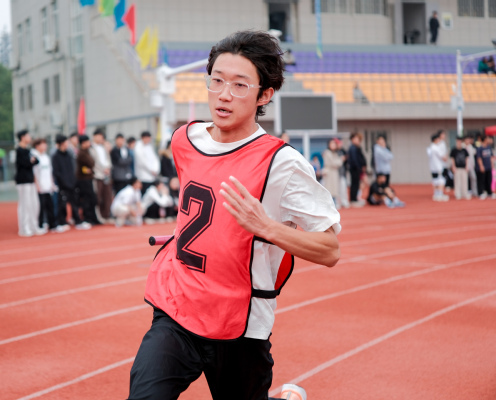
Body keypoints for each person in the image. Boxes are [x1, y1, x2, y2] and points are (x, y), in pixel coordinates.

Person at [128, 30, 340, 400]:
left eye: (240, 85)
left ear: (265, 95)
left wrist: (266, 227)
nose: (224, 94)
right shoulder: (184, 140)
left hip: (240, 323)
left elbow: (330, 250)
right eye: (217, 81)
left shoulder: (282, 163)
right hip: (177, 307)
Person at [52, 134, 86, 229]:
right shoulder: (56, 156)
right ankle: (62, 222)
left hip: (72, 183)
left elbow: (72, 169)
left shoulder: (69, 155)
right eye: (66, 142)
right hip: (63, 185)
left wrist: (73, 180)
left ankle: (77, 220)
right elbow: (56, 172)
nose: (67, 144)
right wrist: (64, 182)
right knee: (62, 204)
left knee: (75, 202)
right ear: (61, 143)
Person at [15, 130, 45, 237]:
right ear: (22, 137)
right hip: (23, 181)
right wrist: (31, 161)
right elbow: (25, 163)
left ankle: (34, 226)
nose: (29, 137)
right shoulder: (19, 150)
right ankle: (24, 228)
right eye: (28, 135)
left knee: (34, 204)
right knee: (25, 205)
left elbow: (36, 161)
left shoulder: (28, 151)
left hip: (31, 180)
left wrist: (31, 161)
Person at [32, 138, 65, 232]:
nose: (45, 146)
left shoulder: (46, 157)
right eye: (43, 144)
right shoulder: (34, 156)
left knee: (50, 205)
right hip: (39, 187)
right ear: (37, 146)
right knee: (40, 207)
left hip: (48, 186)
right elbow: (34, 173)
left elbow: (50, 172)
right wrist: (37, 185)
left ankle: (52, 225)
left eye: (45, 144)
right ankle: (40, 225)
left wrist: (52, 183)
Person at [90, 128, 113, 222]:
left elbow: (108, 160)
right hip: (98, 175)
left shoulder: (104, 148)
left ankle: (106, 215)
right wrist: (103, 169)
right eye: (99, 136)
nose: (101, 138)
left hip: (106, 175)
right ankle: (99, 216)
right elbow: (94, 162)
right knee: (98, 197)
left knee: (107, 195)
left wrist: (108, 168)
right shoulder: (91, 148)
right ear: (94, 136)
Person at [76, 135, 98, 228]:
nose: (89, 144)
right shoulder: (81, 153)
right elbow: (91, 163)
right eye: (88, 142)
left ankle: (92, 218)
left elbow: (92, 163)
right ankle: (87, 218)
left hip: (88, 178)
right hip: (83, 180)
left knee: (92, 199)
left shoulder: (87, 151)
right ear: (83, 143)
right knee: (86, 200)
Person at [427, 132, 449, 201]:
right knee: (441, 180)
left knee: (435, 180)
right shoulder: (436, 148)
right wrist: (446, 156)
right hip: (438, 167)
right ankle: (440, 194)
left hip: (432, 167)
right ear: (435, 139)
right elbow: (443, 157)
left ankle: (436, 194)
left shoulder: (430, 147)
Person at [322, 139, 343, 208]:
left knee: (334, 190)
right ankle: (329, 205)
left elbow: (337, 163)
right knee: (329, 189)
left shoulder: (335, 153)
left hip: (334, 173)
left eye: (334, 144)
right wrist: (340, 160)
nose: (333, 145)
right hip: (329, 173)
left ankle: (334, 204)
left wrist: (339, 161)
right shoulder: (327, 152)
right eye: (332, 144)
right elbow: (334, 163)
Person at [347, 131, 367, 207]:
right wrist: (359, 167)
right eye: (356, 138)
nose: (357, 140)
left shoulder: (357, 147)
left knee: (356, 184)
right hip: (354, 169)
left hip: (356, 169)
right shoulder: (353, 148)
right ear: (352, 139)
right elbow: (354, 159)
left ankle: (355, 199)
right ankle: (353, 200)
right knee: (354, 184)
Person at [476, 135, 496, 200]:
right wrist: (481, 166)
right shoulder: (480, 148)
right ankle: (481, 193)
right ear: (484, 139)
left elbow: (491, 156)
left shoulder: (489, 147)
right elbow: (479, 158)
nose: (488, 140)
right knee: (481, 180)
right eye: (487, 138)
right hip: (482, 167)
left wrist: (492, 164)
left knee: (489, 180)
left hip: (488, 167)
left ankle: (489, 192)